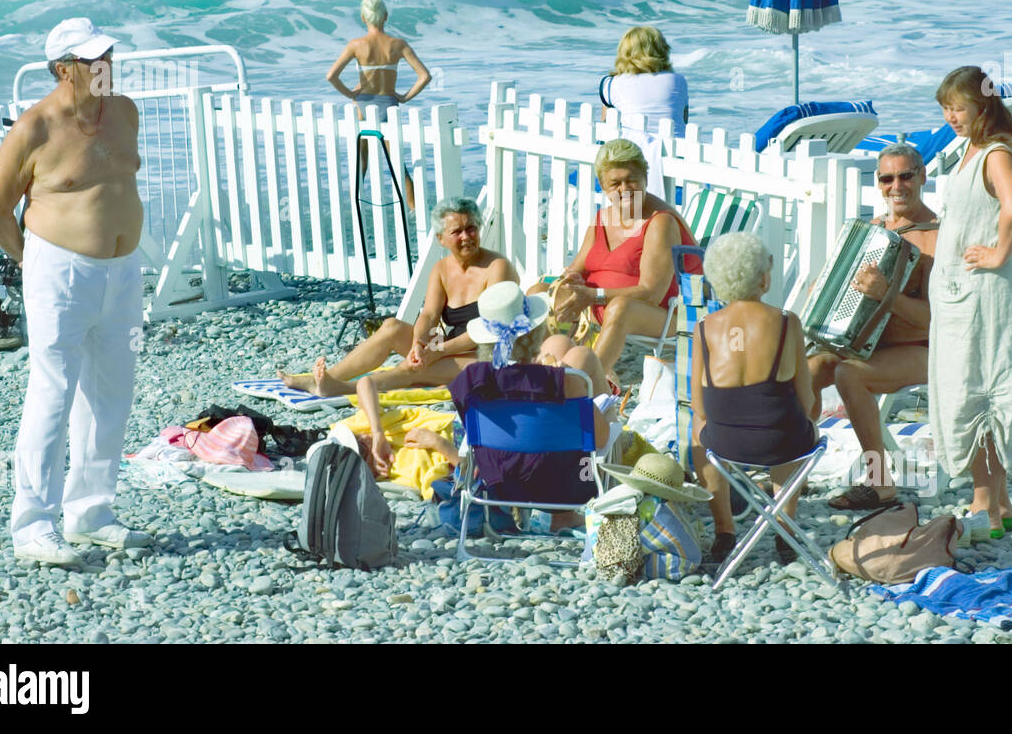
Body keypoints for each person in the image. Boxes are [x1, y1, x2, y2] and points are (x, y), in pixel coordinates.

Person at [0, 18, 151, 566]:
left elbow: (118, 181)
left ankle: (92, 513)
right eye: (91, 59)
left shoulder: (124, 112)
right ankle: (32, 525)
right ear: (63, 69)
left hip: (124, 271)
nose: (104, 64)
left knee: (112, 394)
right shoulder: (35, 127)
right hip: (60, 270)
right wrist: (33, 262)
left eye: (107, 54)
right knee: (52, 394)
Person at [928, 66, 1012, 541]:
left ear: (982, 105)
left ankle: (985, 504)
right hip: (961, 296)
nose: (951, 115)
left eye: (959, 106)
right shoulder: (971, 150)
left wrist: (996, 253)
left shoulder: (996, 153)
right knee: (967, 389)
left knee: (980, 393)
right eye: (946, 107)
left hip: (984, 296)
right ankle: (1000, 503)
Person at [809, 143, 939, 511]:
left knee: (850, 375)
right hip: (865, 343)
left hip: (923, 348)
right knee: (804, 372)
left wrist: (888, 294)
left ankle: (880, 483)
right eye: (887, 178)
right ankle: (791, 472)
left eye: (905, 176)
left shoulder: (936, 237)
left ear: (922, 177)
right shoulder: (871, 230)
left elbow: (934, 318)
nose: (896, 186)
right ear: (878, 184)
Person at [279, 197, 515, 397]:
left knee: (413, 368)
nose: (466, 236)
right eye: (457, 231)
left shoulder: (497, 267)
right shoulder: (442, 269)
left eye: (471, 228)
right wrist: (418, 344)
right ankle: (323, 379)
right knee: (391, 327)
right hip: (450, 348)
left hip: (487, 356)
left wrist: (437, 351)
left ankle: (342, 389)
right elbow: (430, 315)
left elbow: (491, 327)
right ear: (441, 239)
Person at [440, 281, 614, 529]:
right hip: (568, 487)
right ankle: (564, 517)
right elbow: (600, 438)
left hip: (500, 485)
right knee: (592, 384)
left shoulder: (470, 381)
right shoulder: (568, 382)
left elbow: (471, 436)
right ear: (536, 331)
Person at [690, 232, 817, 565]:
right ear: (762, 277)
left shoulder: (704, 328)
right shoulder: (788, 323)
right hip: (781, 442)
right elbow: (808, 400)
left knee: (696, 426)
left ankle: (724, 530)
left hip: (724, 445)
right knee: (794, 418)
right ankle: (784, 524)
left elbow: (700, 406)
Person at [538, 138, 698, 380]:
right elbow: (576, 267)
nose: (625, 189)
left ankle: (587, 383)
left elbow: (651, 293)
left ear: (645, 178)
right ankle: (541, 368)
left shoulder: (660, 222)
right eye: (615, 183)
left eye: (631, 179)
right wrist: (569, 279)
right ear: (603, 186)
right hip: (602, 306)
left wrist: (593, 295)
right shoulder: (605, 217)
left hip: (669, 315)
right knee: (539, 291)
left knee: (620, 308)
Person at [326, 0, 431, 209]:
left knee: (362, 163)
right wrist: (405, 97)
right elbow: (425, 76)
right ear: (386, 17)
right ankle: (413, 210)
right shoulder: (398, 44)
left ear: (364, 18)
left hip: (363, 107)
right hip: (388, 106)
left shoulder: (356, 45)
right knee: (397, 165)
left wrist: (351, 94)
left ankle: (355, 208)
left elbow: (331, 76)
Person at [598, 26, 688, 130]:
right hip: (675, 144)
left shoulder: (611, 84)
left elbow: (604, 127)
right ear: (662, 49)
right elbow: (683, 121)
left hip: (631, 145)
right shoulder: (679, 81)